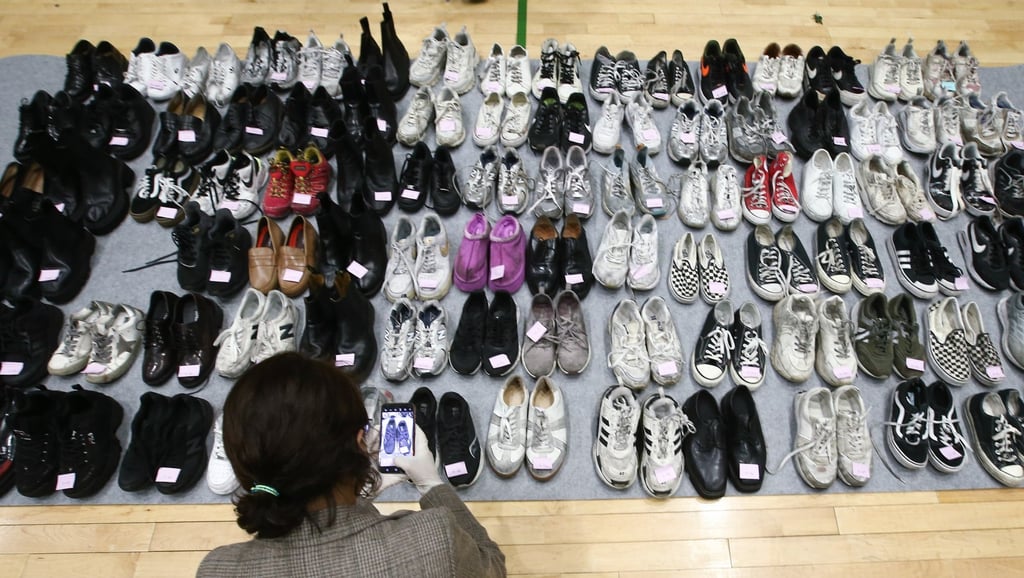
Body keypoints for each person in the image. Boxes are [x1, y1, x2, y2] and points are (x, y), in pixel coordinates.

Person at [197, 352, 506, 577]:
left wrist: (355, 500)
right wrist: (431, 484)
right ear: (361, 443)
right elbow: (492, 565)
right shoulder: (434, 539)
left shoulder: (216, 570)